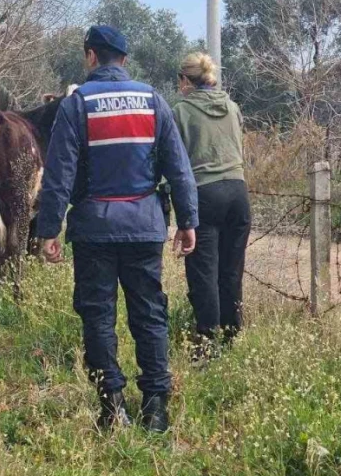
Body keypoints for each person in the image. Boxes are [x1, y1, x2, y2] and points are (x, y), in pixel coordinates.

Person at [36, 25, 198, 433]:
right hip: (144, 227)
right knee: (149, 315)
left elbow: (58, 174)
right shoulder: (153, 100)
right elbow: (178, 167)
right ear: (124, 60)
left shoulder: (76, 106)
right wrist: (188, 220)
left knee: (98, 317)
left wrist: (49, 228)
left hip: (94, 231)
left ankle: (111, 406)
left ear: (91, 56)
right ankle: (156, 408)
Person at [172, 53, 251, 360]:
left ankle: (207, 345)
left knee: (204, 274)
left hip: (205, 193)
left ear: (185, 80)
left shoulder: (181, 111)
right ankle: (233, 339)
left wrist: (179, 211)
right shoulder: (232, 107)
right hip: (238, 191)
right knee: (231, 272)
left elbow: (177, 164)